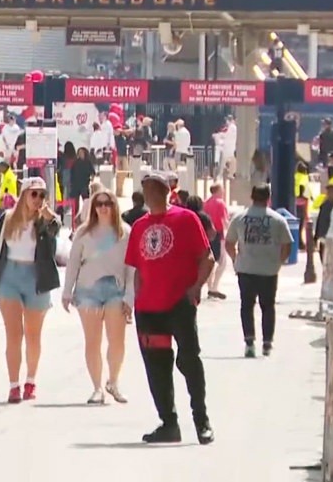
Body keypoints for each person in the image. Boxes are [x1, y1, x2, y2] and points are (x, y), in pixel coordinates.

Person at [126, 172, 215, 445]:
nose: (150, 192)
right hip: (149, 309)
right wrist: (134, 300)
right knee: (157, 367)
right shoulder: (139, 227)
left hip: (180, 304)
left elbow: (207, 257)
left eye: (155, 187)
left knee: (189, 361)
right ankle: (169, 423)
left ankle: (202, 421)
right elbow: (137, 268)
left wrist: (197, 287)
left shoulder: (187, 219)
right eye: (146, 187)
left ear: (167, 191)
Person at [0, 177, 61, 403]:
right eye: (33, 194)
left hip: (36, 278)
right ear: (24, 194)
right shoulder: (7, 218)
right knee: (14, 334)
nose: (37, 199)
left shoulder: (45, 222)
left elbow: (56, 231)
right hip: (10, 276)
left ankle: (31, 381)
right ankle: (13, 385)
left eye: (42, 195)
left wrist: (48, 216)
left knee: (33, 335)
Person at [63, 188, 134, 404]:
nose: (103, 207)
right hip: (88, 290)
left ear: (114, 206)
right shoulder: (83, 233)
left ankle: (113, 381)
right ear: (93, 207)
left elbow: (131, 267)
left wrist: (130, 296)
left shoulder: (125, 232)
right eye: (99, 203)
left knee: (117, 341)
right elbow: (73, 262)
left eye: (108, 203)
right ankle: (96, 388)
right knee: (92, 342)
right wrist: (67, 291)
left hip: (116, 290)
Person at [226, 184, 292, 358]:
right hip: (269, 270)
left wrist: (235, 259)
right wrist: (280, 262)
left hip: (245, 268)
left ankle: (249, 342)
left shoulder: (240, 218)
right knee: (268, 306)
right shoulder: (277, 219)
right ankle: (267, 343)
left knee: (246, 306)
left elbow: (229, 242)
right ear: (268, 197)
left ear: (252, 196)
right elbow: (287, 244)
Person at [203, 184, 229, 300]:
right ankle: (214, 286)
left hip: (208, 235)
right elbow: (224, 221)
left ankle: (210, 287)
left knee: (211, 260)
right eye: (222, 189)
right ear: (218, 190)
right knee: (222, 262)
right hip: (219, 235)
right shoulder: (220, 203)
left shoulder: (206, 203)